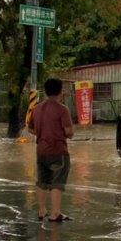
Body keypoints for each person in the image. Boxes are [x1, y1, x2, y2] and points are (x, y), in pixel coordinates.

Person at [26, 78, 74, 222]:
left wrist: (43, 134)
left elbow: (31, 129)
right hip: (58, 151)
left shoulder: (37, 109)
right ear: (60, 91)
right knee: (57, 182)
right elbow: (69, 132)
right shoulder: (62, 109)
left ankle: (41, 211)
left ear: (46, 91)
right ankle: (55, 213)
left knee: (42, 181)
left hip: (41, 151)